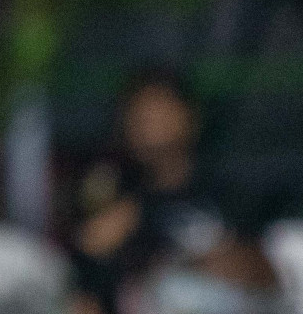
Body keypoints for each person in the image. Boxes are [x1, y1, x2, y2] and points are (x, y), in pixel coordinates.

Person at [66, 70, 281, 314]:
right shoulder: (116, 198)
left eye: (159, 110)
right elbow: (86, 289)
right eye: (138, 115)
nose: (149, 125)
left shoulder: (226, 190)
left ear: (190, 115)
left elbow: (264, 273)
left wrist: (191, 266)